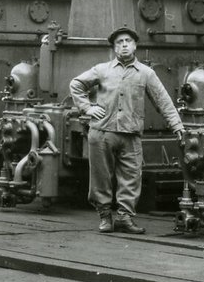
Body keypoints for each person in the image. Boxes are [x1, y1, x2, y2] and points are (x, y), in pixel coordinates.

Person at [68, 26, 185, 234]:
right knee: (100, 177)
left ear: (135, 45)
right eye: (119, 42)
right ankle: (105, 216)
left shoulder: (146, 74)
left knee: (131, 176)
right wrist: (87, 108)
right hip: (102, 132)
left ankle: (124, 217)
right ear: (114, 47)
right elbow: (76, 84)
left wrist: (176, 125)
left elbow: (163, 101)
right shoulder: (102, 70)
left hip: (130, 135)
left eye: (127, 41)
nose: (124, 45)